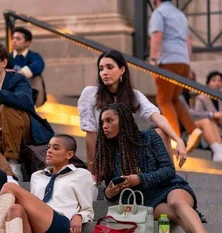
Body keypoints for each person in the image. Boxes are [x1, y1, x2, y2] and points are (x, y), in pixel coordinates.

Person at [95, 103, 222, 233]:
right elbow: (107, 188)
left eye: (109, 120)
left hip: (171, 186)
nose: (105, 126)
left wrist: (140, 179)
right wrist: (109, 192)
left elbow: (168, 170)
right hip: (148, 201)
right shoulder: (108, 152)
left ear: (124, 120)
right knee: (177, 216)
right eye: (102, 123)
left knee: (176, 203)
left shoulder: (150, 137)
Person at [78, 49, 187, 178]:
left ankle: (170, 177)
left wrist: (178, 140)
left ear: (122, 70)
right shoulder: (90, 93)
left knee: (162, 133)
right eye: (101, 69)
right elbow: (90, 132)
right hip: (106, 150)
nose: (104, 73)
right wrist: (92, 168)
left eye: (110, 67)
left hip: (129, 147)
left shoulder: (133, 95)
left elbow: (156, 116)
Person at [0, 41, 54, 181]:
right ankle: (10, 176)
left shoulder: (17, 79)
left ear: (3, 62)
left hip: (22, 133)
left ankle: (13, 162)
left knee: (7, 108)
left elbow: (25, 100)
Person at [149, 0, 202, 151]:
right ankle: (193, 130)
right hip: (183, 61)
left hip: (168, 60)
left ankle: (175, 138)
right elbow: (188, 42)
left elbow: (157, 35)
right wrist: (188, 64)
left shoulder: (159, 13)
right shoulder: (180, 15)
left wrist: (153, 59)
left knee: (163, 99)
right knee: (174, 98)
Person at [179, 71, 222, 161]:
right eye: (214, 80)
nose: (217, 83)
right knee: (207, 120)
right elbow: (195, 115)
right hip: (187, 127)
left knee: (210, 121)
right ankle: (218, 152)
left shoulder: (219, 99)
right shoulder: (199, 97)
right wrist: (213, 115)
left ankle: (219, 152)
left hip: (214, 128)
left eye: (219, 80)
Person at [7, 27, 46, 107]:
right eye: (13, 38)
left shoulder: (33, 56)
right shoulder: (8, 57)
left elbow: (38, 65)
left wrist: (20, 73)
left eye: (18, 39)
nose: (14, 41)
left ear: (27, 43)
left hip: (29, 90)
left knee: (36, 77)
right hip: (11, 91)